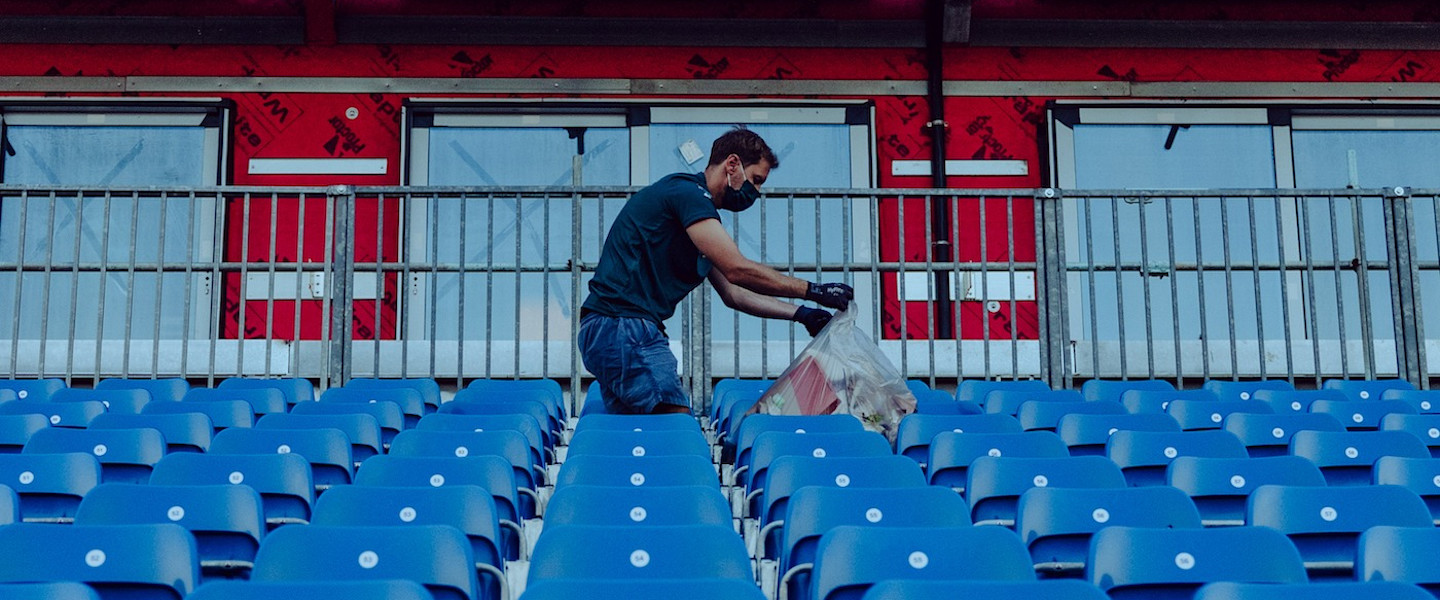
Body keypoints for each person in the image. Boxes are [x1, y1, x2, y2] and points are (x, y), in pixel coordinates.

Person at [578, 126, 853, 415]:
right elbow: (737, 269)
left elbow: (734, 293)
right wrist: (815, 291)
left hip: (613, 328)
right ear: (732, 164)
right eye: (756, 180)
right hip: (623, 325)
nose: (755, 193)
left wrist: (802, 313)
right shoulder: (688, 194)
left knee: (644, 435)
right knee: (676, 424)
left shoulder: (698, 215)